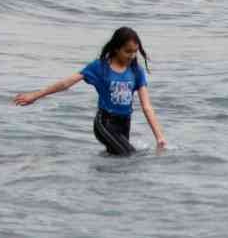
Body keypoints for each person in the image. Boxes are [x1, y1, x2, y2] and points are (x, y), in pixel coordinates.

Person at [12, 26, 167, 157]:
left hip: (124, 123)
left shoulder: (136, 71)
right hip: (104, 123)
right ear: (116, 48)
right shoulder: (100, 67)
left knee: (117, 164)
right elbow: (66, 83)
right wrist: (36, 95)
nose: (132, 56)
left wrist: (159, 137)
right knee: (129, 156)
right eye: (128, 51)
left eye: (135, 52)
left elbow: (147, 107)